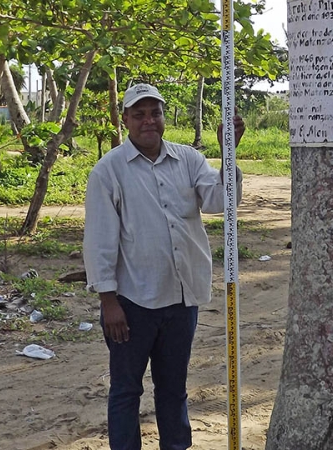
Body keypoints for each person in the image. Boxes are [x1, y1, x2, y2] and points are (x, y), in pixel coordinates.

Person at [83, 83, 244, 450]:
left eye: (154, 113)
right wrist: (109, 302)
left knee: (173, 387)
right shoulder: (108, 172)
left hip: (181, 297)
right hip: (132, 302)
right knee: (126, 388)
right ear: (125, 120)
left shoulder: (187, 159)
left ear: (163, 117)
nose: (148, 121)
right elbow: (99, 241)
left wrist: (228, 151)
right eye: (139, 114)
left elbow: (221, 201)